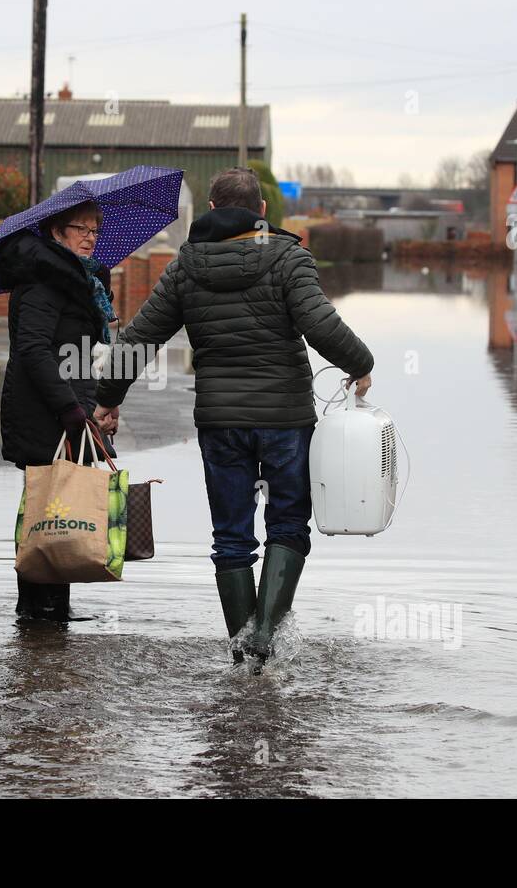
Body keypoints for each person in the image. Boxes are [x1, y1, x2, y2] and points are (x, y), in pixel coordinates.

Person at [93, 168, 373, 664]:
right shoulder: (288, 257)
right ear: (261, 211)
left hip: (219, 423)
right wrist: (361, 365)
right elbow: (320, 324)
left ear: (212, 209)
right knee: (288, 525)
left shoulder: (185, 267)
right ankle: (265, 641)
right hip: (285, 418)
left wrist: (109, 397)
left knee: (231, 537)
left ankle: (243, 654)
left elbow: (140, 339)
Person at [0, 200, 117, 622]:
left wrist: (97, 404)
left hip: (68, 409)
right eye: (79, 228)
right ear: (55, 232)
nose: (89, 236)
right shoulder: (45, 281)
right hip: (43, 411)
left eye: (94, 230)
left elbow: (78, 355)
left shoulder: (78, 281)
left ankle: (50, 612)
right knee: (46, 507)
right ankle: (35, 612)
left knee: (58, 507)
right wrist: (69, 408)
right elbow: (32, 350)